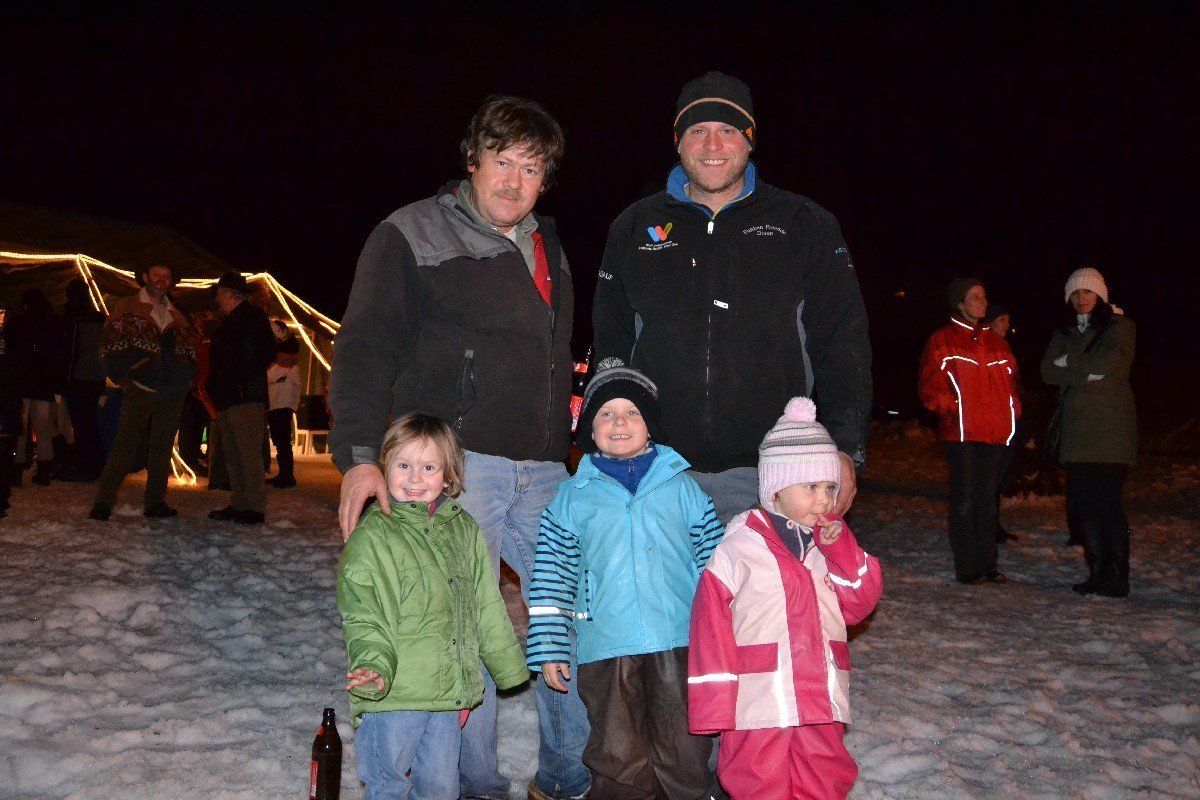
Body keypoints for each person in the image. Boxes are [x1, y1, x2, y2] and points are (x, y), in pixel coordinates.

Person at [330, 95, 590, 800]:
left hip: (545, 471)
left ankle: (567, 776)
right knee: (460, 630)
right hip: (457, 469)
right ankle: (476, 785)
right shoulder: (410, 232)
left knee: (570, 617)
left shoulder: (548, 246)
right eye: (501, 161)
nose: (513, 180)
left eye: (530, 168)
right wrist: (357, 456)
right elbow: (365, 347)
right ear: (472, 160)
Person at [593, 70, 872, 524]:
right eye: (697, 131)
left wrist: (845, 446)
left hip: (771, 474)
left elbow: (843, 344)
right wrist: (607, 441)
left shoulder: (804, 223)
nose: (712, 145)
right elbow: (612, 343)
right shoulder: (633, 226)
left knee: (767, 577)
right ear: (678, 142)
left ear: (749, 139)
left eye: (727, 130)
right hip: (656, 471)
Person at [526, 360, 723, 800]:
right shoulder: (572, 498)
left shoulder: (683, 488)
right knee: (617, 751)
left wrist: (726, 625)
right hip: (606, 645)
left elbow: (716, 564)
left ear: (650, 425)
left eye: (632, 412)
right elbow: (552, 575)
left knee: (684, 745)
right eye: (606, 414)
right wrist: (550, 645)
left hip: (677, 640)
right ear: (589, 430)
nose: (619, 423)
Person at [688, 397, 882, 800]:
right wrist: (713, 703)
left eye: (830, 488)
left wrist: (842, 551)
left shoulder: (830, 546)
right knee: (758, 780)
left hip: (820, 698)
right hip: (759, 701)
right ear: (775, 489)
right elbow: (710, 629)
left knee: (824, 777)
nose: (825, 500)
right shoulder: (738, 548)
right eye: (811, 487)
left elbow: (859, 604)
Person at [338, 412, 528, 800]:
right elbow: (364, 611)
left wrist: (507, 666)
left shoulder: (463, 529)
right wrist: (373, 664)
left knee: (440, 787)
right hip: (394, 693)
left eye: (428, 468)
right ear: (384, 466)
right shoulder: (374, 535)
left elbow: (486, 604)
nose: (415, 478)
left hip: (446, 694)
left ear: (448, 475)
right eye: (403, 466)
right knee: (388, 784)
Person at [1040, 268, 1136, 598]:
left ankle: (1117, 576)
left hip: (1111, 433)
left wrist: (1068, 364)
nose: (1081, 298)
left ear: (1101, 296)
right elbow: (1047, 371)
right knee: (1084, 506)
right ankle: (1097, 573)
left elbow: (1110, 366)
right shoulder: (1065, 331)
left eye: (1088, 292)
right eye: (1076, 293)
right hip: (1076, 434)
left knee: (1107, 504)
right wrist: (1085, 369)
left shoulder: (1120, 326)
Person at [918, 278, 1021, 584]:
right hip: (962, 434)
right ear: (959, 303)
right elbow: (929, 388)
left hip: (995, 433)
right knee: (965, 498)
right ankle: (968, 567)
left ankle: (989, 565)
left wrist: (1012, 408)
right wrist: (955, 407)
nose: (981, 301)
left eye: (983, 296)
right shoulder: (943, 340)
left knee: (988, 500)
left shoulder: (997, 342)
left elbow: (1013, 384)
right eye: (974, 297)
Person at [88, 265, 197, 520]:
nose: (162, 279)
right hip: (140, 386)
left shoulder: (177, 312)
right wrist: (125, 375)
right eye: (157, 274)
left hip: (173, 389)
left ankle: (155, 502)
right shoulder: (128, 306)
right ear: (145, 277)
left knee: (162, 446)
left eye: (167, 275)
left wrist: (187, 376)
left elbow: (190, 347)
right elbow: (109, 343)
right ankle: (103, 501)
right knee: (125, 444)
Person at [206, 272, 277, 525]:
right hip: (229, 396)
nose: (217, 300)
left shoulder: (252, 316)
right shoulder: (229, 321)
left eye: (219, 294)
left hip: (245, 396)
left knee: (247, 453)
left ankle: (254, 507)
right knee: (233, 453)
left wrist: (238, 378)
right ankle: (239, 503)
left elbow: (265, 352)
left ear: (228, 294)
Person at [8, 288, 62, 486]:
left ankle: (17, 468)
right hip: (44, 383)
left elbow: (10, 352)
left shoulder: (17, 323)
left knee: (20, 428)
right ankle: (44, 468)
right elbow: (57, 354)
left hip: (21, 383)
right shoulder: (52, 323)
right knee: (43, 428)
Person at [59, 279, 107, 481]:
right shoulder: (99, 318)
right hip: (95, 377)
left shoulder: (72, 318)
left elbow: (69, 352)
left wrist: (64, 379)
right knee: (90, 422)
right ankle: (95, 463)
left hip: (77, 378)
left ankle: (86, 465)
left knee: (81, 423)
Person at [982, 301, 1022, 543]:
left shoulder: (1003, 346)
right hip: (991, 423)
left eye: (1007, 320)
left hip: (1006, 422)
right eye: (1001, 320)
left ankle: (993, 525)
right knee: (990, 478)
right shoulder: (986, 346)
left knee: (997, 477)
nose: (1006, 325)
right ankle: (987, 527)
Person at [266, 319, 301, 488]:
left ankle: (287, 476)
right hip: (277, 401)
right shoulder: (284, 359)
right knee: (280, 440)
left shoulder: (286, 361)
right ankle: (284, 474)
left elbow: (271, 375)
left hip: (282, 402)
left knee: (282, 441)